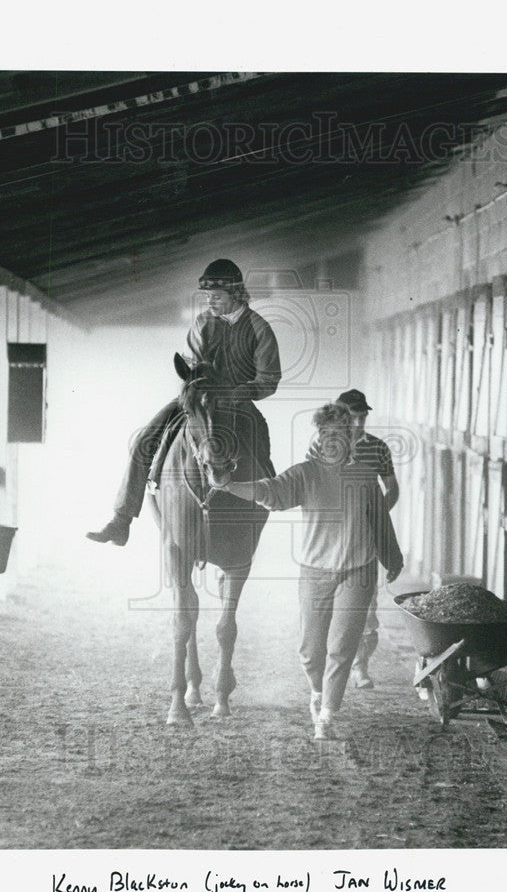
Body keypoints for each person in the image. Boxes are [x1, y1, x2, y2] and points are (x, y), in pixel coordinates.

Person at [218, 403, 403, 740]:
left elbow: (380, 520)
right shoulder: (305, 474)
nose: (331, 440)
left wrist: (393, 559)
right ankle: (316, 692)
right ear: (319, 438)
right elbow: (269, 490)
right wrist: (230, 485)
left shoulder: (363, 476)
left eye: (339, 434)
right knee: (310, 650)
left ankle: (327, 715)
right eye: (325, 434)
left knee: (341, 645)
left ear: (350, 438)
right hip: (314, 571)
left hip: (357, 572)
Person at [87, 259, 281, 546]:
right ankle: (121, 519)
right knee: (144, 439)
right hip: (200, 399)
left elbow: (269, 379)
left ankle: (263, 502)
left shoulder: (258, 328)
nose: (210, 301)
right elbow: (191, 366)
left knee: (260, 446)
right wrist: (194, 387)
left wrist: (239, 392)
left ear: (236, 293)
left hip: (237, 402)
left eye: (217, 296)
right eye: (207, 296)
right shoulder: (202, 322)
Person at [335, 389, 399, 690]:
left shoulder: (378, 448)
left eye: (363, 417)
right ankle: (333, 666)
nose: (359, 423)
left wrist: (375, 515)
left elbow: (392, 488)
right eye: (353, 418)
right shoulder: (327, 448)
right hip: (332, 539)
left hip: (366, 540)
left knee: (366, 606)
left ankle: (361, 668)